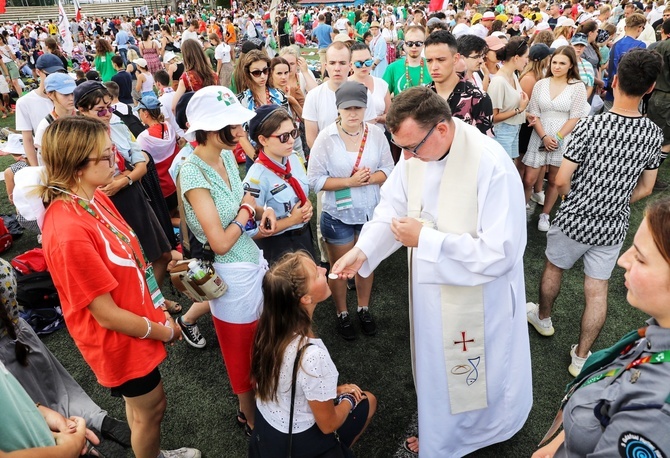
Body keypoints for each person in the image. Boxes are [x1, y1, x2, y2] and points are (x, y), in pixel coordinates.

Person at [331, 87, 532, 456]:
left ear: (441, 129)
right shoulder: (416, 156)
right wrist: (362, 251)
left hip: (479, 300)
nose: (406, 158)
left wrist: (427, 239)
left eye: (412, 147)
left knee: (474, 370)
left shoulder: (491, 165)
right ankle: (439, 431)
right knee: (436, 367)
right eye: (401, 148)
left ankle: (480, 432)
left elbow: (502, 252)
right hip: (430, 294)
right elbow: (391, 208)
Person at [36, 116, 199, 458]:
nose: (117, 162)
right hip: (119, 341)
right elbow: (107, 316)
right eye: (106, 155)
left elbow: (130, 258)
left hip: (135, 323)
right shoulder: (67, 230)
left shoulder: (93, 196)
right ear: (77, 164)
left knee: (144, 409)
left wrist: (157, 301)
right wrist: (163, 331)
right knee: (151, 408)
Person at [526, 49, 663, 377]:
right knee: (597, 289)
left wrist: (580, 198)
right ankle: (581, 356)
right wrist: (614, 200)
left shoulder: (589, 126)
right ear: (650, 88)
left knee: (553, 268)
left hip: (574, 218)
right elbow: (646, 188)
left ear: (614, 81)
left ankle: (543, 318)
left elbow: (560, 179)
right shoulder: (653, 135)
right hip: (612, 226)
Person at [532, 198, 670, 457]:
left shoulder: (657, 413)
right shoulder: (656, 334)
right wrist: (557, 445)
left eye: (640, 258)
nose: (623, 260)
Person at [178, 86, 276, 435]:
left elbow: (239, 203)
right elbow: (218, 241)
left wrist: (258, 210)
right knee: (240, 352)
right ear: (206, 128)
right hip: (230, 275)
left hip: (249, 262)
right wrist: (249, 210)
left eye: (239, 124)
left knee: (259, 342)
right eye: (231, 126)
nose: (239, 132)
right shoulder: (192, 171)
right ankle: (249, 417)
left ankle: (256, 408)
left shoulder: (223, 157)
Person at [249, 251, 377, 457]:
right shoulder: (311, 356)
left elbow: (289, 384)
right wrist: (349, 401)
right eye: (317, 273)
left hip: (266, 434)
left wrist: (333, 391)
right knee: (368, 400)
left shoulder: (267, 329)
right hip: (299, 444)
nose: (324, 269)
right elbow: (328, 425)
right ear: (305, 298)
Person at [0, 258, 130, 457]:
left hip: (12, 343)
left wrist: (67, 448)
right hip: (19, 334)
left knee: (27, 407)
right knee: (55, 386)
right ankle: (94, 421)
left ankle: (79, 437)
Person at [307, 81, 393, 341]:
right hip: (338, 215)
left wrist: (371, 178)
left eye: (358, 107)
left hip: (370, 214)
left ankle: (363, 308)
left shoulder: (377, 134)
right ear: (338, 109)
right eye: (348, 108)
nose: (353, 113)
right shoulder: (326, 137)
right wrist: (349, 182)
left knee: (366, 265)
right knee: (339, 268)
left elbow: (389, 169)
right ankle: (342, 312)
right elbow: (314, 180)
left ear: (366, 108)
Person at [523, 46, 589, 232]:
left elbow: (576, 116)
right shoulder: (540, 84)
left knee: (554, 179)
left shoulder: (577, 87)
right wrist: (544, 136)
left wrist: (558, 137)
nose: (557, 66)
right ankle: (522, 208)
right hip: (539, 133)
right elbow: (533, 112)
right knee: (529, 179)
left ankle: (545, 214)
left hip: (563, 136)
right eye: (554, 62)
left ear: (570, 66)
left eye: (562, 63)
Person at [242, 105, 315, 264]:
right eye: (283, 137)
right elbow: (250, 231)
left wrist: (307, 205)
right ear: (263, 140)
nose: (291, 140)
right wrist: (292, 220)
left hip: (304, 237)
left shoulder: (293, 158)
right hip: (278, 247)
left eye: (293, 133)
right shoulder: (256, 179)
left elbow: (300, 191)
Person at [425, 30, 494, 137]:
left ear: (456, 59)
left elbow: (485, 144)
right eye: (429, 61)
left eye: (441, 60)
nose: (434, 67)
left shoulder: (478, 98)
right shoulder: (421, 97)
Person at [489, 36, 531, 163]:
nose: (527, 61)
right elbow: (493, 117)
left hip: (513, 129)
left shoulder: (513, 75)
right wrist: (520, 110)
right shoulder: (499, 81)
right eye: (526, 57)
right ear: (516, 58)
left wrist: (526, 114)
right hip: (501, 132)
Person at [135, 95, 179, 215]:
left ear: (145, 114)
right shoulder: (168, 127)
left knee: (166, 218)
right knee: (175, 211)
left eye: (139, 112)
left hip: (160, 188)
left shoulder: (143, 138)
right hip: (174, 181)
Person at [382, 25, 431, 97]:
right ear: (404, 44)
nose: (414, 47)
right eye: (410, 43)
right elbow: (382, 97)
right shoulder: (392, 68)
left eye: (418, 43)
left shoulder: (432, 67)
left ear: (424, 45)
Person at [348, 42, 390, 126]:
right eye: (359, 63)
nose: (364, 66)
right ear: (350, 65)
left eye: (367, 62)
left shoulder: (382, 84)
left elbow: (390, 115)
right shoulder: (344, 86)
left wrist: (379, 119)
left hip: (378, 134)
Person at [171, 39, 218, 112]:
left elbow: (174, 107)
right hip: (215, 112)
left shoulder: (186, 77)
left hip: (198, 115)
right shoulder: (213, 74)